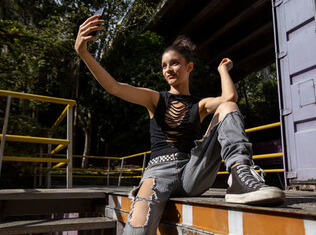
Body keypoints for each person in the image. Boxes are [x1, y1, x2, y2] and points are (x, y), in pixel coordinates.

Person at [75, 14, 285, 234]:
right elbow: (114, 87)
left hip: (192, 172)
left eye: (175, 63)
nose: (169, 69)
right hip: (158, 173)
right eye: (164, 65)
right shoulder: (155, 99)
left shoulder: (200, 104)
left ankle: (240, 174)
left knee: (228, 108)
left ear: (189, 67)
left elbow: (229, 98)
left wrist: (223, 70)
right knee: (137, 228)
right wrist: (84, 53)